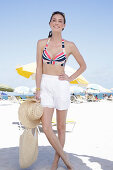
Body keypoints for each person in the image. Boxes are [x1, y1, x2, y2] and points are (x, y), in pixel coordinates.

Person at [35, 11, 87, 170]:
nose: (56, 23)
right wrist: (37, 89)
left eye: (60, 21)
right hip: (45, 84)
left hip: (61, 85)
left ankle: (56, 162)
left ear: (64, 25)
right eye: (54, 20)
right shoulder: (41, 43)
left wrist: (70, 78)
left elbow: (83, 66)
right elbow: (39, 68)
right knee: (46, 126)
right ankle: (66, 158)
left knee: (61, 127)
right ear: (50, 23)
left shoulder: (70, 45)